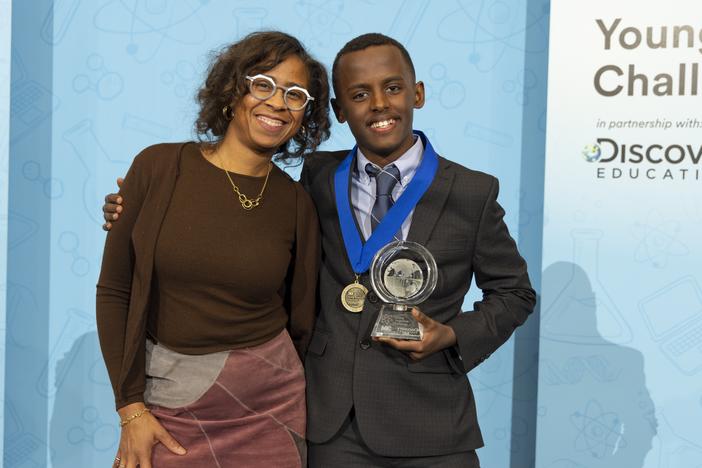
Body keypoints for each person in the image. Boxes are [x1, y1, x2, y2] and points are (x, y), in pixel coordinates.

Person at [104, 33, 536, 467]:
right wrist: (132, 211)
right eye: (360, 94)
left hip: (431, 423)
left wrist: (453, 334)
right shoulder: (315, 180)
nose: (380, 105)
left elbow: (516, 293)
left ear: (417, 93)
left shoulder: (471, 192)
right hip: (329, 425)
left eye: (393, 88)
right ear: (339, 111)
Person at [96, 31, 329, 468]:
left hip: (270, 410)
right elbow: (115, 292)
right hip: (167, 404)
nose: (278, 103)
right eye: (263, 84)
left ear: (305, 114)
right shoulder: (159, 167)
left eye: (295, 95)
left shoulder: (297, 202)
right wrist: (130, 410)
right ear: (232, 89)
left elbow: (302, 320)